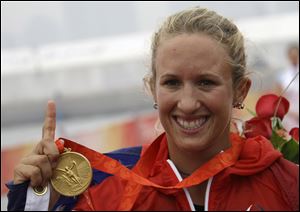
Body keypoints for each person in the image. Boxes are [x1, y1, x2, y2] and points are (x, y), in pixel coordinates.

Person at [7, 7, 299, 211]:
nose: (187, 103)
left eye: (206, 82)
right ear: (153, 89)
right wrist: (35, 203)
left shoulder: (288, 186)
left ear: (241, 91)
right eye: (172, 83)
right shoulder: (108, 195)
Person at [276, 44, 299, 131]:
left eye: (296, 55)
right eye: (292, 55)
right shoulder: (283, 75)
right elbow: (280, 98)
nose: (294, 58)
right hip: (290, 115)